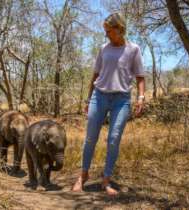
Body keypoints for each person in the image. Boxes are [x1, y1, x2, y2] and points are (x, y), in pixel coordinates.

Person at [72, 12, 146, 196]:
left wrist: (141, 98)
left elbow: (140, 77)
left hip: (121, 99)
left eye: (109, 31)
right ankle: (83, 176)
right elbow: (95, 75)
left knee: (113, 139)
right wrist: (88, 100)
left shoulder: (134, 49)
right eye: (105, 31)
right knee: (90, 138)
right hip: (99, 95)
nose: (106, 34)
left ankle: (106, 180)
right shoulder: (103, 49)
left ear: (120, 29)